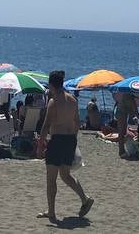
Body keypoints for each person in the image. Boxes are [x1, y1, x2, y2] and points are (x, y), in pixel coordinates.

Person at [37, 70, 93, 225]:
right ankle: (85, 199)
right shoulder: (73, 100)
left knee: (51, 179)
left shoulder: (53, 102)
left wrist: (40, 145)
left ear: (50, 84)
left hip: (57, 141)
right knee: (65, 175)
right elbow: (77, 123)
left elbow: (46, 124)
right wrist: (73, 140)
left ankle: (52, 213)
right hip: (70, 140)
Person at [115, 90, 138, 155]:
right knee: (122, 133)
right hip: (122, 114)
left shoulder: (125, 97)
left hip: (121, 114)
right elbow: (135, 111)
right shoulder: (129, 98)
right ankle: (121, 151)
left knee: (122, 133)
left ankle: (122, 151)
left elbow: (133, 111)